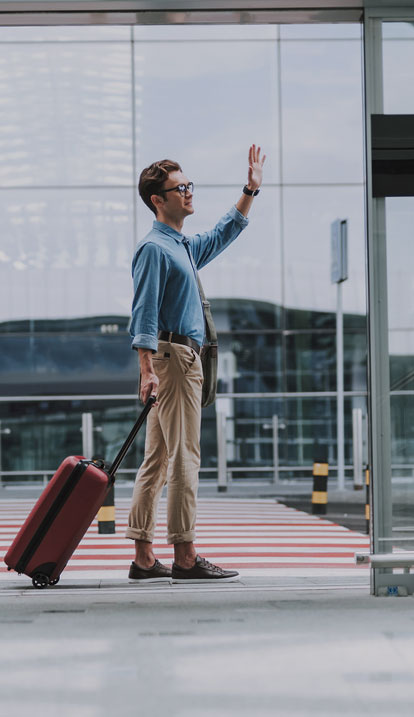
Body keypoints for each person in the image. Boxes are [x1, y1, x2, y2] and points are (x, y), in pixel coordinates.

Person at [125, 146, 265, 583]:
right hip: (174, 360)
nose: (188, 192)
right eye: (179, 187)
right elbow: (143, 313)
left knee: (158, 458)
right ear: (157, 200)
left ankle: (144, 557)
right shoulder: (154, 248)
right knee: (185, 456)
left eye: (189, 185)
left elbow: (224, 232)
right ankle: (185, 556)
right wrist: (146, 369)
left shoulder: (180, 247)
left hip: (178, 358)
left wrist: (250, 190)